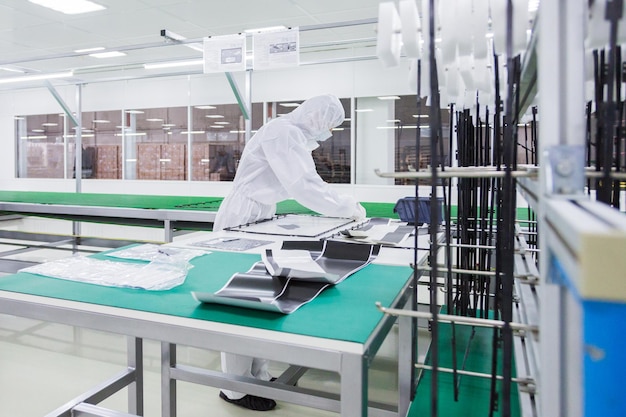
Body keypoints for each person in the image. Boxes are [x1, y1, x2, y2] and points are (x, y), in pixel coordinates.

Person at [214, 94, 366, 411]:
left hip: (259, 217)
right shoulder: (281, 131)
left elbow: (300, 181)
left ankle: (257, 374)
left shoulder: (290, 133)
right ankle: (234, 387)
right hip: (242, 218)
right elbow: (302, 184)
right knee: (241, 302)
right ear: (315, 116)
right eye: (328, 124)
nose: (327, 131)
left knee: (260, 299)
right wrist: (346, 208)